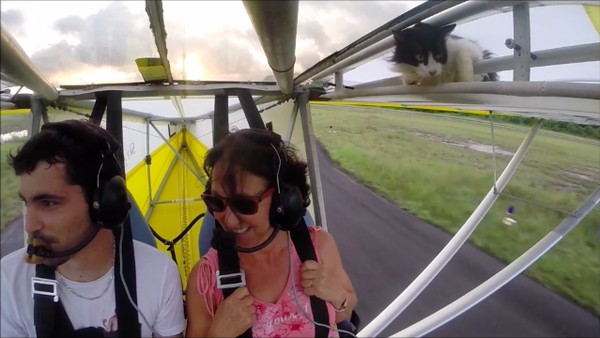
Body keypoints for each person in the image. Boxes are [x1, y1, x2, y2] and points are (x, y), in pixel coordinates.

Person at [1, 119, 185, 337]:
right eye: (26, 203)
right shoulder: (8, 280)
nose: (30, 225)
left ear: (105, 204)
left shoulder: (160, 273)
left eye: (48, 203)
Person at [185, 128, 357, 337]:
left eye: (244, 204)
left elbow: (345, 311)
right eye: (216, 202)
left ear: (282, 201)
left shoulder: (318, 247)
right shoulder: (205, 279)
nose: (228, 220)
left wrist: (335, 294)